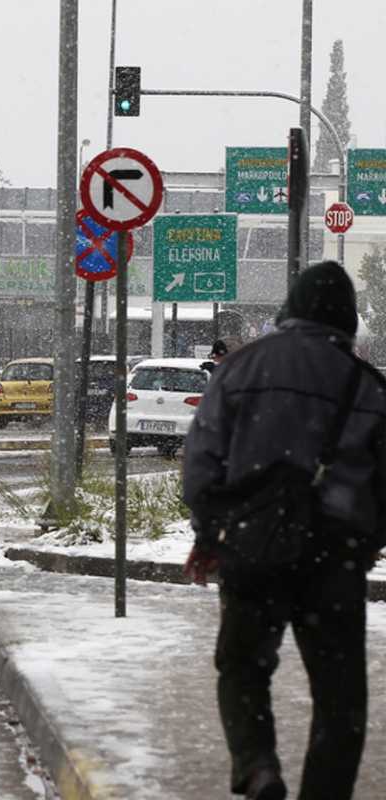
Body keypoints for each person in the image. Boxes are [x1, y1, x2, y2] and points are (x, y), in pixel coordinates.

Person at [182, 261, 386, 800]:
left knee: (243, 668)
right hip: (334, 560)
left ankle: (258, 767)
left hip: (252, 546)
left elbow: (202, 459)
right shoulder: (366, 385)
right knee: (341, 699)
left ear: (290, 308)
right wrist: (363, 545)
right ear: (346, 319)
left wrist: (209, 535)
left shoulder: (242, 368)